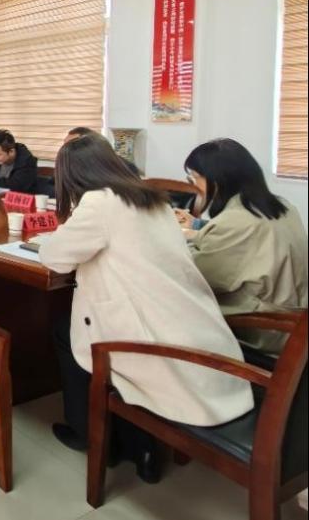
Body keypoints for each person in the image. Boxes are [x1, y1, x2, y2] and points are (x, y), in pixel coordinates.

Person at [38, 135, 253, 483]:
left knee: (70, 333)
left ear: (72, 175)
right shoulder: (151, 197)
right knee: (89, 331)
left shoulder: (98, 202)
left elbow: (55, 257)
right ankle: (143, 449)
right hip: (193, 325)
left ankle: (91, 435)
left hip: (153, 336)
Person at [177, 139, 308, 354]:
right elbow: (245, 245)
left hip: (266, 328)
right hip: (293, 318)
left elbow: (198, 276)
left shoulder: (235, 222)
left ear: (217, 180)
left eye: (194, 177)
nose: (192, 185)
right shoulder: (283, 207)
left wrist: (171, 240)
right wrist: (198, 229)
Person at [64, 127, 140, 175]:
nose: (65, 149)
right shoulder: (72, 165)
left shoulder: (124, 167)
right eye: (65, 145)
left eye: (72, 145)